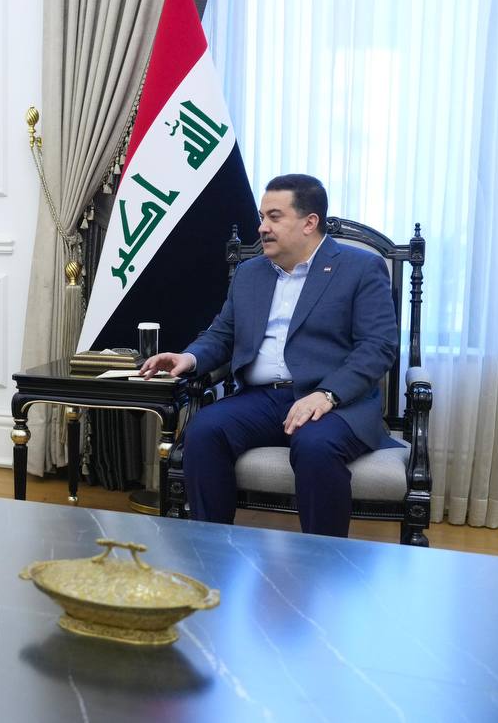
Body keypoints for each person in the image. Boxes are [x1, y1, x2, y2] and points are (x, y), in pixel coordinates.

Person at [140, 174, 398, 537]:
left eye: (274, 217)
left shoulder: (359, 268)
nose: (262, 227)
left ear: (309, 222)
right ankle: (211, 547)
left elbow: (377, 346)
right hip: (261, 399)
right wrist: (190, 358)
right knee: (203, 430)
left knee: (315, 445)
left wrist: (327, 394)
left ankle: (323, 557)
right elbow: (223, 334)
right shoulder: (250, 273)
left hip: (334, 402)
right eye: (262, 217)